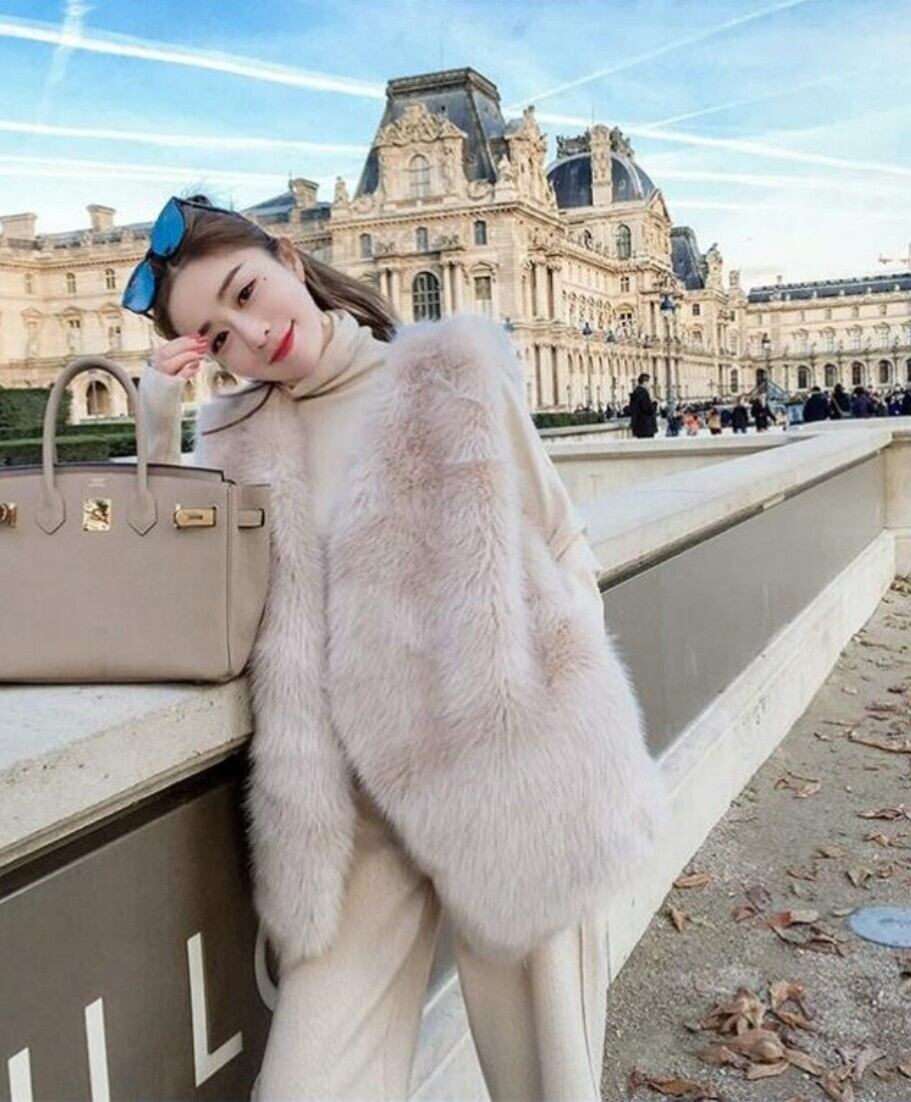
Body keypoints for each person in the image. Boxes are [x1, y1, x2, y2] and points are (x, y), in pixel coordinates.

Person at [126, 195, 669, 1100]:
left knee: (549, 1085)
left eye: (247, 293)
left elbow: (564, 542)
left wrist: (557, 719)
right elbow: (189, 605)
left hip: (509, 778)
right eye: (217, 338)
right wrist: (157, 425)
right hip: (355, 813)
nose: (252, 335)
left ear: (290, 259)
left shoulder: (451, 371)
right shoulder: (237, 439)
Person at [628, 372, 658, 438]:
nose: (649, 386)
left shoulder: (635, 392)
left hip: (639, 426)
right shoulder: (643, 393)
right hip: (646, 426)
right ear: (645, 382)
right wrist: (655, 403)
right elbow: (648, 409)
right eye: (649, 383)